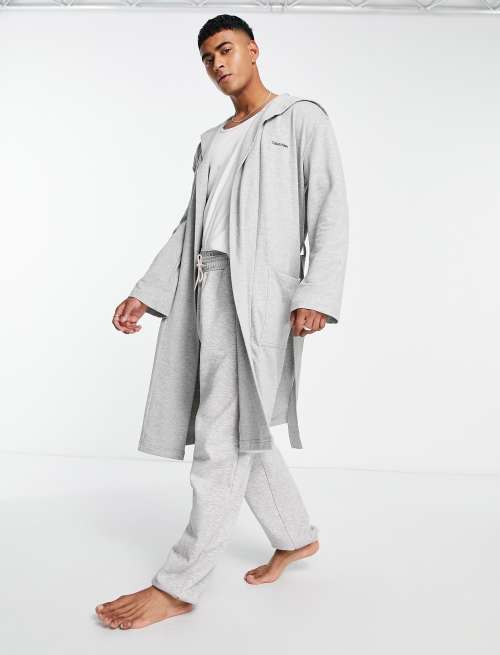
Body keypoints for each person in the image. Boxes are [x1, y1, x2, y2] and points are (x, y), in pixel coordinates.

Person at [96, 13, 349, 630]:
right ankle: (296, 536)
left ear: (254, 50)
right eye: (207, 57)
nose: (217, 64)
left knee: (220, 439)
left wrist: (315, 293)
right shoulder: (212, 139)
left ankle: (179, 583)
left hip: (259, 296)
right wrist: (147, 293)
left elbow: (330, 208)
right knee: (240, 426)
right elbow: (192, 225)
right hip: (205, 291)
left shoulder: (300, 119)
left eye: (226, 49)